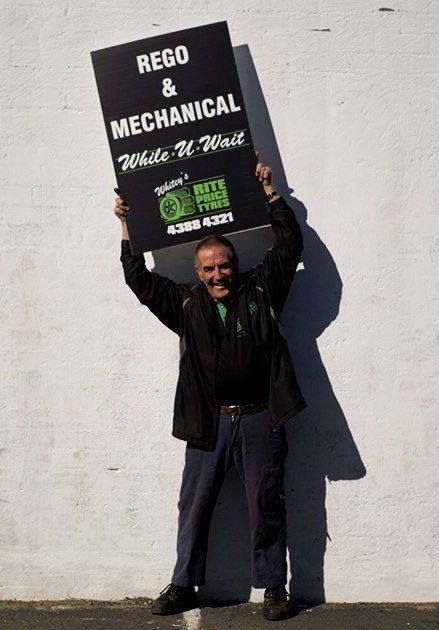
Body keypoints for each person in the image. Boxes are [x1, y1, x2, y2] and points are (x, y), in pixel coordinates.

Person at [114, 155, 306, 622]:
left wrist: (270, 192)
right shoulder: (184, 303)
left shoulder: (262, 289)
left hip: (261, 417)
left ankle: (274, 589)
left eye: (223, 266)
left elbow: (289, 244)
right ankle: (182, 585)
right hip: (209, 422)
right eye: (208, 269)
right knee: (193, 506)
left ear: (235, 266)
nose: (217, 275)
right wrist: (127, 225)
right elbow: (137, 279)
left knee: (266, 505)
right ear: (197, 273)